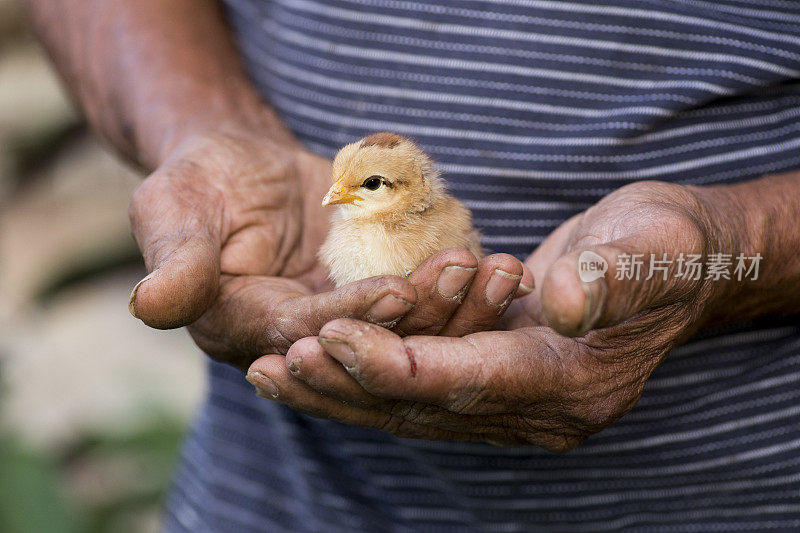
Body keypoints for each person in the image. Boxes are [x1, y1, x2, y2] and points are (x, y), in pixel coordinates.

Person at [29, 0, 800, 530]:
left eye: (360, 187)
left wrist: (748, 243)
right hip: (270, 497)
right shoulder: (349, 223)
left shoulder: (432, 221)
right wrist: (201, 127)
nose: (338, 200)